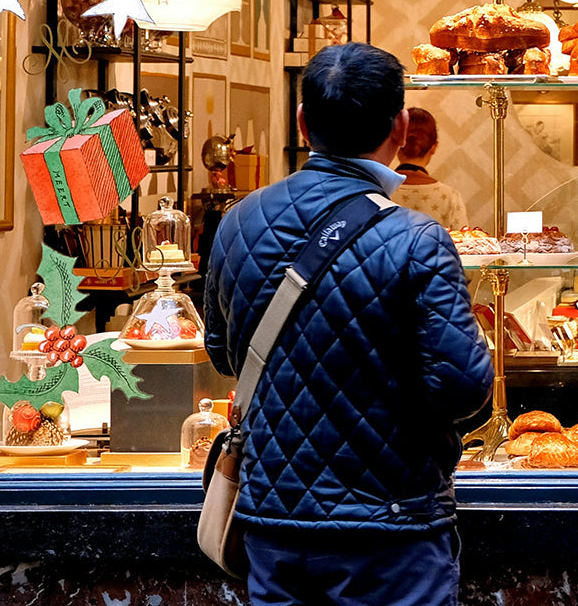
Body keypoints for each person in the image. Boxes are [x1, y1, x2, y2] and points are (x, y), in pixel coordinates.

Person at [203, 43, 493, 606]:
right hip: (392, 528)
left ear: (302, 121)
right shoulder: (417, 238)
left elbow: (223, 353)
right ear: (401, 125)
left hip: (273, 523)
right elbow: (463, 387)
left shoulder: (238, 222)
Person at [394, 107, 469, 230]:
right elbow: (462, 243)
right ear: (434, 147)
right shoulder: (450, 197)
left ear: (397, 143)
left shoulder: (380, 191)